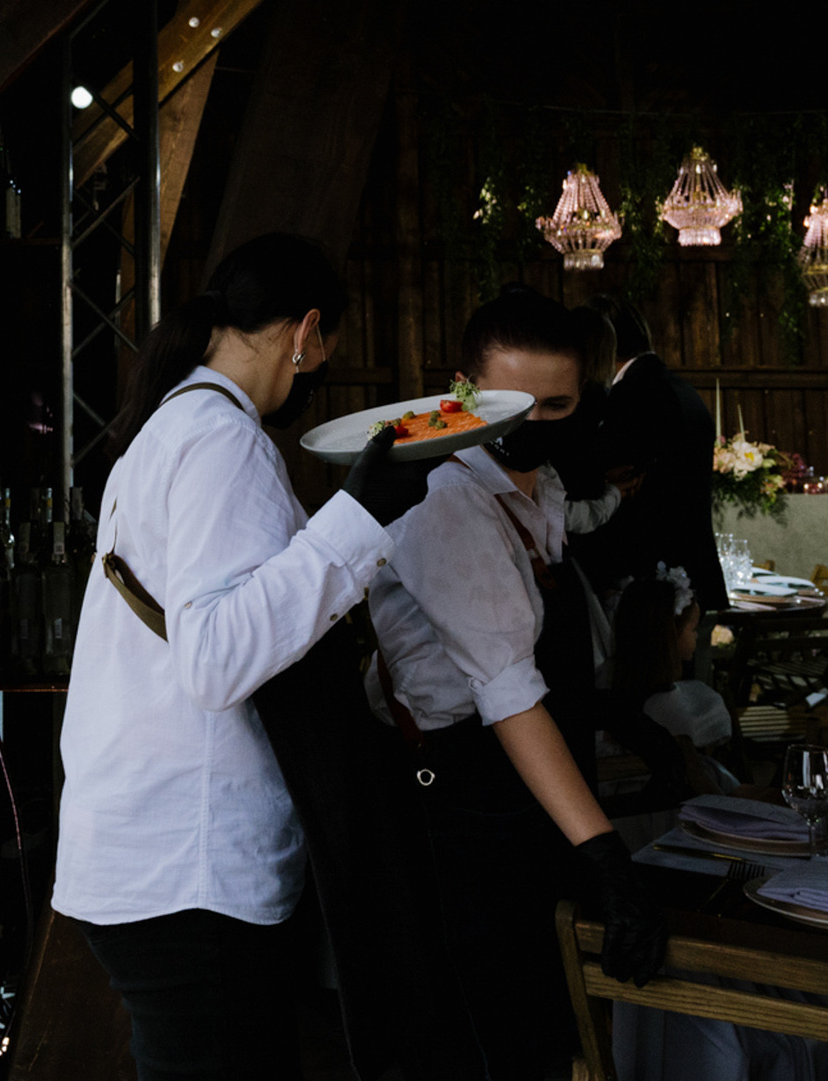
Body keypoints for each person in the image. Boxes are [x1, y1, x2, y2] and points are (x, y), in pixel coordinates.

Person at [52, 233, 437, 1081]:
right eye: (322, 353)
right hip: (187, 869)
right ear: (304, 333)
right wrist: (358, 519)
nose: (316, 373)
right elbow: (217, 658)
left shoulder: (169, 430)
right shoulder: (224, 440)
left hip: (145, 855)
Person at [366, 286, 667, 1079]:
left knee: (546, 1014)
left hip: (527, 781)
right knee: (494, 1028)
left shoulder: (542, 483)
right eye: (511, 404)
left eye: (557, 405)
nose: (532, 424)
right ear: (463, 392)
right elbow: (505, 691)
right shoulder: (446, 495)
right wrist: (607, 855)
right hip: (461, 789)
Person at [567, 294, 728, 612]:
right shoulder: (683, 389)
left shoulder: (630, 397)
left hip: (647, 579)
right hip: (693, 566)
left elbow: (618, 485)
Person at [607, 564, 751, 800]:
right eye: (693, 629)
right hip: (660, 807)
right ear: (669, 634)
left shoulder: (613, 680)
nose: (696, 636)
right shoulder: (664, 707)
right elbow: (698, 781)